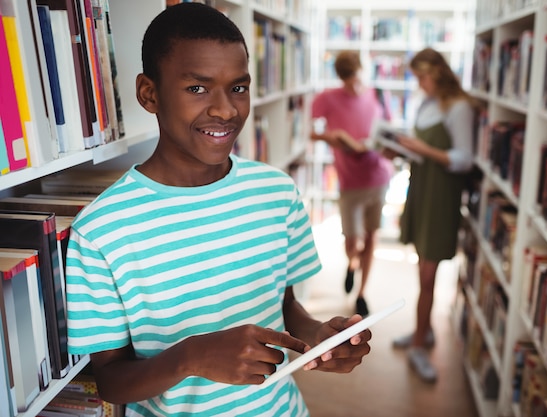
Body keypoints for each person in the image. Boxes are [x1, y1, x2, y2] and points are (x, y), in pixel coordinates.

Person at [64, 4, 372, 416]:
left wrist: (317, 337)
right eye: (197, 88)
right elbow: (111, 381)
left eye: (238, 88)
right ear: (149, 94)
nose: (226, 110)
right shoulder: (101, 230)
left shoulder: (276, 192)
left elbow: (282, 306)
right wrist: (192, 356)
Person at [389, 48, 474, 382]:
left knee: (428, 275)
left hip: (441, 196)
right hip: (422, 188)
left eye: (421, 76)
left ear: (436, 72)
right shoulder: (426, 104)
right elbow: (425, 151)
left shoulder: (459, 107)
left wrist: (421, 149)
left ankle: (421, 346)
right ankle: (421, 331)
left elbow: (465, 159)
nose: (419, 83)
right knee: (421, 269)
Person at [310, 51, 394, 317]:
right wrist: (330, 137)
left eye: (357, 79)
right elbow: (310, 130)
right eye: (348, 82)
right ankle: (351, 264)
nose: (354, 87)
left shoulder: (379, 95)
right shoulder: (327, 98)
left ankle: (362, 293)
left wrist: (381, 146)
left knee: (371, 236)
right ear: (340, 78)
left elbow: (389, 133)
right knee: (351, 240)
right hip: (349, 180)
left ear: (363, 71)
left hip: (378, 176)